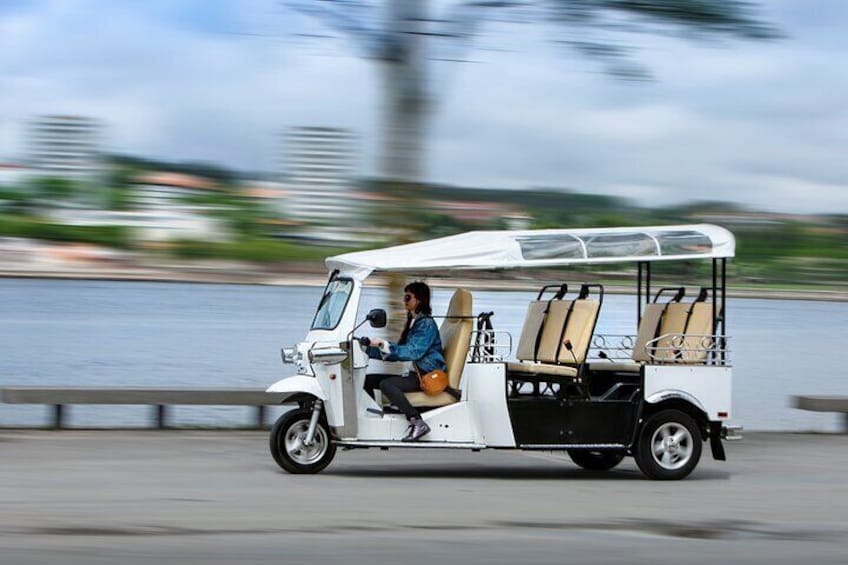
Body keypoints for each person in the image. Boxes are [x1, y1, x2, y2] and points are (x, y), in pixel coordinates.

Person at [363, 281, 446, 442]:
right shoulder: (417, 323)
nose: (404, 301)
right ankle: (373, 420)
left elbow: (412, 352)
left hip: (425, 376)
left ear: (419, 300)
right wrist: (367, 349)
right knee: (367, 380)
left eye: (407, 297)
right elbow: (397, 353)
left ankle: (417, 422)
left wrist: (383, 344)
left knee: (387, 385)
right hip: (415, 373)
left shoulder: (426, 324)